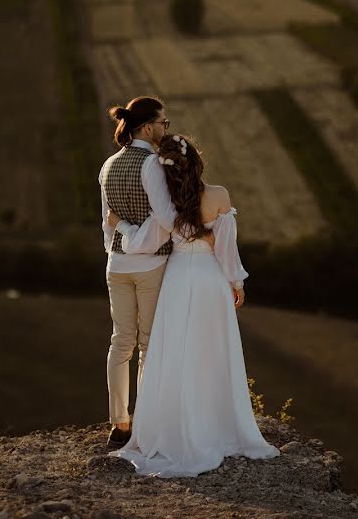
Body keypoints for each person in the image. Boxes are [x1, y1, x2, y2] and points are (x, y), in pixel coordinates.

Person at [106, 133, 280, 477]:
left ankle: (174, 424)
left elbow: (151, 239)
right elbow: (225, 247)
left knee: (175, 352)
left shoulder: (167, 201)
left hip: (175, 280)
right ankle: (215, 423)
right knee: (211, 352)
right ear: (197, 162)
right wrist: (236, 282)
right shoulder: (218, 195)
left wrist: (119, 224)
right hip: (208, 281)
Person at [98, 96, 175, 448]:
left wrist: (118, 246)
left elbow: (106, 225)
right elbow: (166, 220)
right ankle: (143, 422)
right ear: (147, 127)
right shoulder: (153, 165)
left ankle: (120, 423)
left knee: (120, 342)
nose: (165, 129)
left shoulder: (108, 165)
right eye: (163, 123)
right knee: (147, 345)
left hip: (116, 265)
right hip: (150, 264)